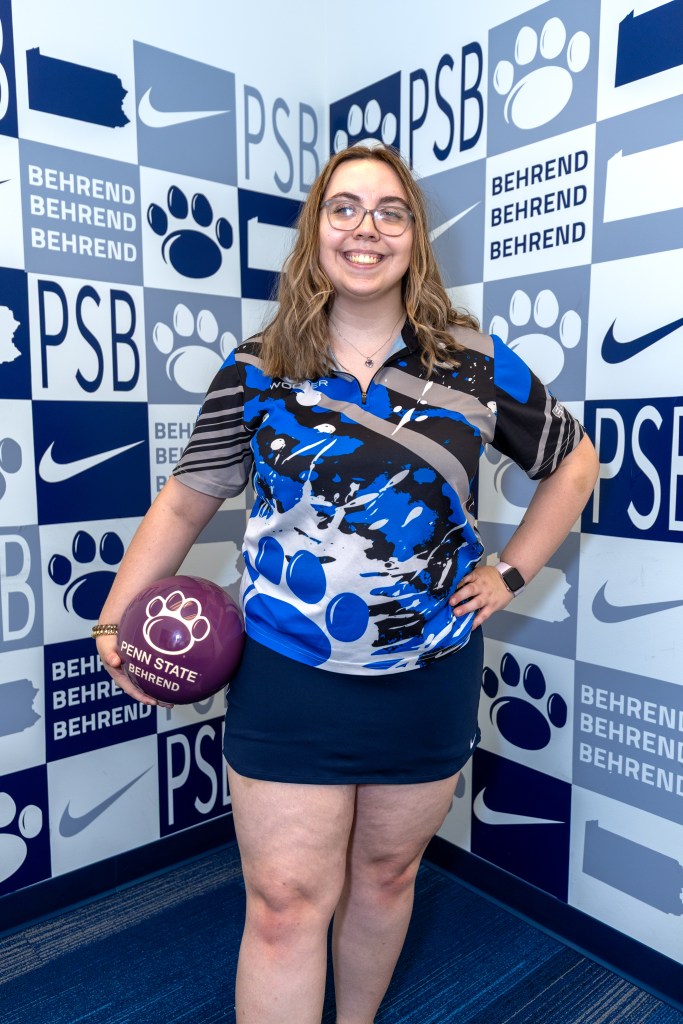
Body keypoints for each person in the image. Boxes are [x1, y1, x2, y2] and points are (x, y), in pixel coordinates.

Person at [95, 144, 599, 1024]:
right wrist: (113, 623)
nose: (367, 228)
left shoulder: (474, 362)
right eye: (344, 208)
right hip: (288, 676)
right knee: (284, 904)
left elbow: (573, 462)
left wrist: (510, 571)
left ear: (414, 236)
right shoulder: (255, 367)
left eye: (390, 211)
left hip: (428, 671)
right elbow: (183, 503)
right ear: (315, 230)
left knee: (387, 874)